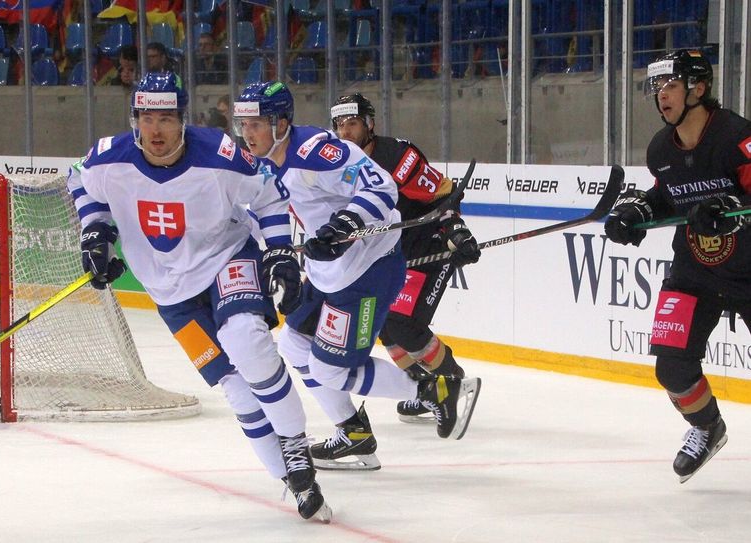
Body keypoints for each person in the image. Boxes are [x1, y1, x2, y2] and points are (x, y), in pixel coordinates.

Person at [67, 72, 331, 522]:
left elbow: (268, 196)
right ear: (134, 120)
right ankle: (290, 478)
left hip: (226, 257)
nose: (156, 130)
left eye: (166, 118)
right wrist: (96, 231)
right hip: (168, 291)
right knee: (233, 385)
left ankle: (295, 447)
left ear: (183, 120)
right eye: (146, 118)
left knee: (247, 341)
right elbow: (80, 184)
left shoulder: (220, 156)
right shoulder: (108, 158)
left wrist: (280, 251)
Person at [233, 81, 482, 467]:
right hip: (327, 271)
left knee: (330, 369)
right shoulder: (266, 160)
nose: (248, 134)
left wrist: (345, 222)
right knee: (294, 346)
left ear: (281, 122)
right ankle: (353, 433)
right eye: (243, 125)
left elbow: (381, 187)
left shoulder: (315, 152)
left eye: (257, 124)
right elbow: (266, 209)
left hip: (369, 269)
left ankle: (435, 388)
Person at [303, 92, 482, 469]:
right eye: (339, 124)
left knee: (403, 322)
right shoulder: (336, 162)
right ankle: (423, 384)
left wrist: (456, 230)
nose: (345, 131)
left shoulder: (399, 157)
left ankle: (449, 379)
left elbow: (443, 194)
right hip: (388, 256)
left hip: (429, 246)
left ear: (370, 124)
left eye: (352, 123)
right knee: (384, 323)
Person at [604, 49, 751, 483]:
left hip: (748, 272)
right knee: (671, 366)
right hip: (694, 270)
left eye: (669, 85)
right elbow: (666, 194)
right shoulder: (659, 149)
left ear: (699, 89)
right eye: (656, 87)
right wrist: (636, 209)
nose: (660, 95)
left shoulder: (737, 138)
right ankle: (707, 428)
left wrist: (730, 206)